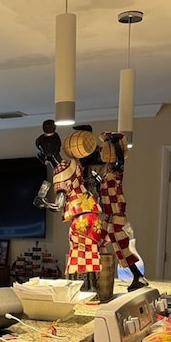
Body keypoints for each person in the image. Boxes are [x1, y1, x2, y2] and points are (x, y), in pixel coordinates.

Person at [36, 120, 103, 291]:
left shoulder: (60, 171)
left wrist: (43, 204)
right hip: (92, 214)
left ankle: (80, 292)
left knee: (77, 256)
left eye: (40, 150)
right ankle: (93, 290)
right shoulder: (75, 163)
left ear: (45, 151)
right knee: (91, 254)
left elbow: (58, 205)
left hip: (79, 217)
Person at [98, 131, 148, 291]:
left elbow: (119, 158)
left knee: (121, 247)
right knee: (98, 242)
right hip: (108, 215)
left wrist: (114, 143)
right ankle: (96, 277)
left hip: (116, 215)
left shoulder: (117, 169)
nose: (102, 151)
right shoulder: (106, 171)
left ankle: (138, 276)